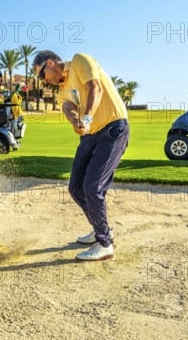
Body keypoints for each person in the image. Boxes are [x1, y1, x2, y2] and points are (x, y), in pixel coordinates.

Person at [33, 50, 129, 261]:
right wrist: (74, 120)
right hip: (90, 135)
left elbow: (94, 87)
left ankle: (105, 245)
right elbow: (67, 105)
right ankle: (101, 229)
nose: (43, 81)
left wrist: (85, 119)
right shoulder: (61, 88)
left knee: (92, 187)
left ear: (50, 63)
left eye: (42, 75)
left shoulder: (78, 61)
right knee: (76, 187)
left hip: (113, 129)